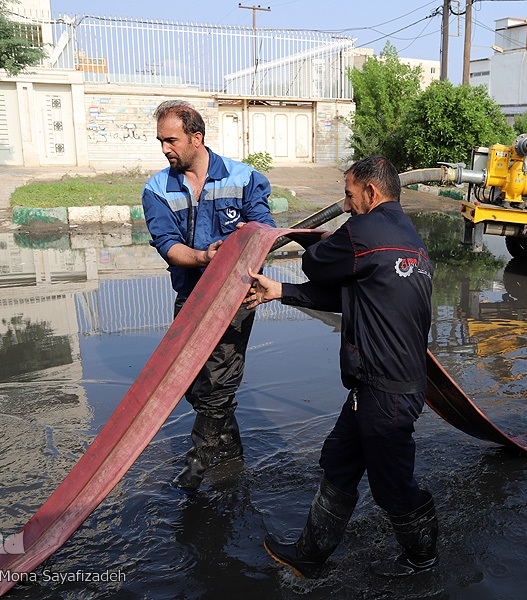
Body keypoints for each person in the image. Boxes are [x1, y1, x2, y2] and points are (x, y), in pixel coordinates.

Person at [245, 156, 437, 579]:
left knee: (392, 486)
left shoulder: (365, 231)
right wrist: (280, 291)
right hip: (384, 385)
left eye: (349, 196)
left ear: (371, 192)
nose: (346, 205)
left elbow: (317, 264)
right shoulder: (410, 240)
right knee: (340, 461)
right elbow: (355, 300)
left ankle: (424, 560)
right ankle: (311, 554)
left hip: (386, 390)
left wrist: (308, 240)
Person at [142, 100, 275, 494]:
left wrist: (241, 259)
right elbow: (166, 243)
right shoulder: (157, 188)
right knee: (189, 383)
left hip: (236, 297)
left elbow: (262, 230)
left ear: (196, 138)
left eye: (171, 140)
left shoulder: (245, 178)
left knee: (218, 382)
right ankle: (231, 455)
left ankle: (196, 467)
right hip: (192, 298)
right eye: (160, 141)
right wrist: (203, 257)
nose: (165, 148)